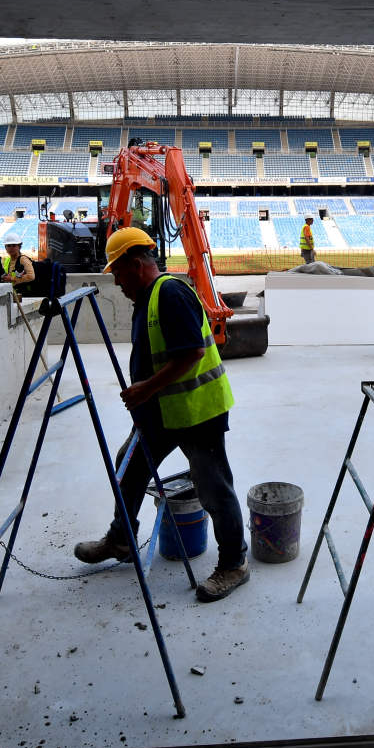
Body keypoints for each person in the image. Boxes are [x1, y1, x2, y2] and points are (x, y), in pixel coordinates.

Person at [73, 227, 249, 602]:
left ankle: (234, 563)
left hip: (197, 413)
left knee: (214, 489)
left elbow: (191, 355)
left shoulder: (170, 294)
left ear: (136, 265)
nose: (117, 282)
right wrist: (147, 399)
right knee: (130, 465)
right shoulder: (148, 298)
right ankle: (121, 539)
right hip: (164, 414)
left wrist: (145, 388)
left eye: (118, 273)